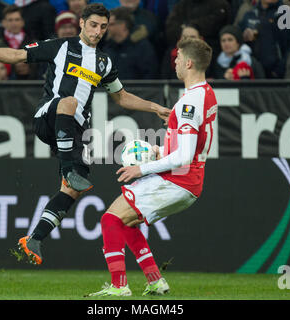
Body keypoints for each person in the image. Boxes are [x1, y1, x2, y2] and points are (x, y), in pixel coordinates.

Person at [0, 3, 171, 265]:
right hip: (48, 117)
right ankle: (68, 168)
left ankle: (35, 239)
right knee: (69, 103)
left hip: (72, 131)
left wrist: (154, 106)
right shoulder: (60, 46)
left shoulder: (104, 62)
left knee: (71, 191)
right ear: (81, 23)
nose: (98, 31)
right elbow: (19, 56)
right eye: (93, 25)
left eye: (103, 27)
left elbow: (121, 97)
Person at [86, 37, 217, 297]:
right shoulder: (206, 93)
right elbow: (192, 145)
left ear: (189, 63)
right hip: (187, 181)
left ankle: (119, 286)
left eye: (178, 57)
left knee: (110, 219)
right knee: (127, 223)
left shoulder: (189, 103)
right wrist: (160, 150)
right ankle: (155, 281)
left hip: (178, 180)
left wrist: (142, 169)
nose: (175, 61)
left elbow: (185, 155)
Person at [238, 0, 290, 78]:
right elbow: (236, 37)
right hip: (253, 71)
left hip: (276, 73)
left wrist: (279, 70)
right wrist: (243, 35)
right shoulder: (250, 14)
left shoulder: (285, 14)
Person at [102, 6, 158, 79]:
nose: (107, 28)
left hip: (137, 90)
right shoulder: (107, 48)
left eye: (111, 24)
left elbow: (150, 74)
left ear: (123, 25)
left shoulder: (142, 47)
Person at [0, 5, 39, 80]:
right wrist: (14, 67)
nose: (14, 23)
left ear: (22, 22)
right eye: (10, 20)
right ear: (3, 23)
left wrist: (29, 68)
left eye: (17, 19)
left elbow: (40, 68)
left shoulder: (34, 44)